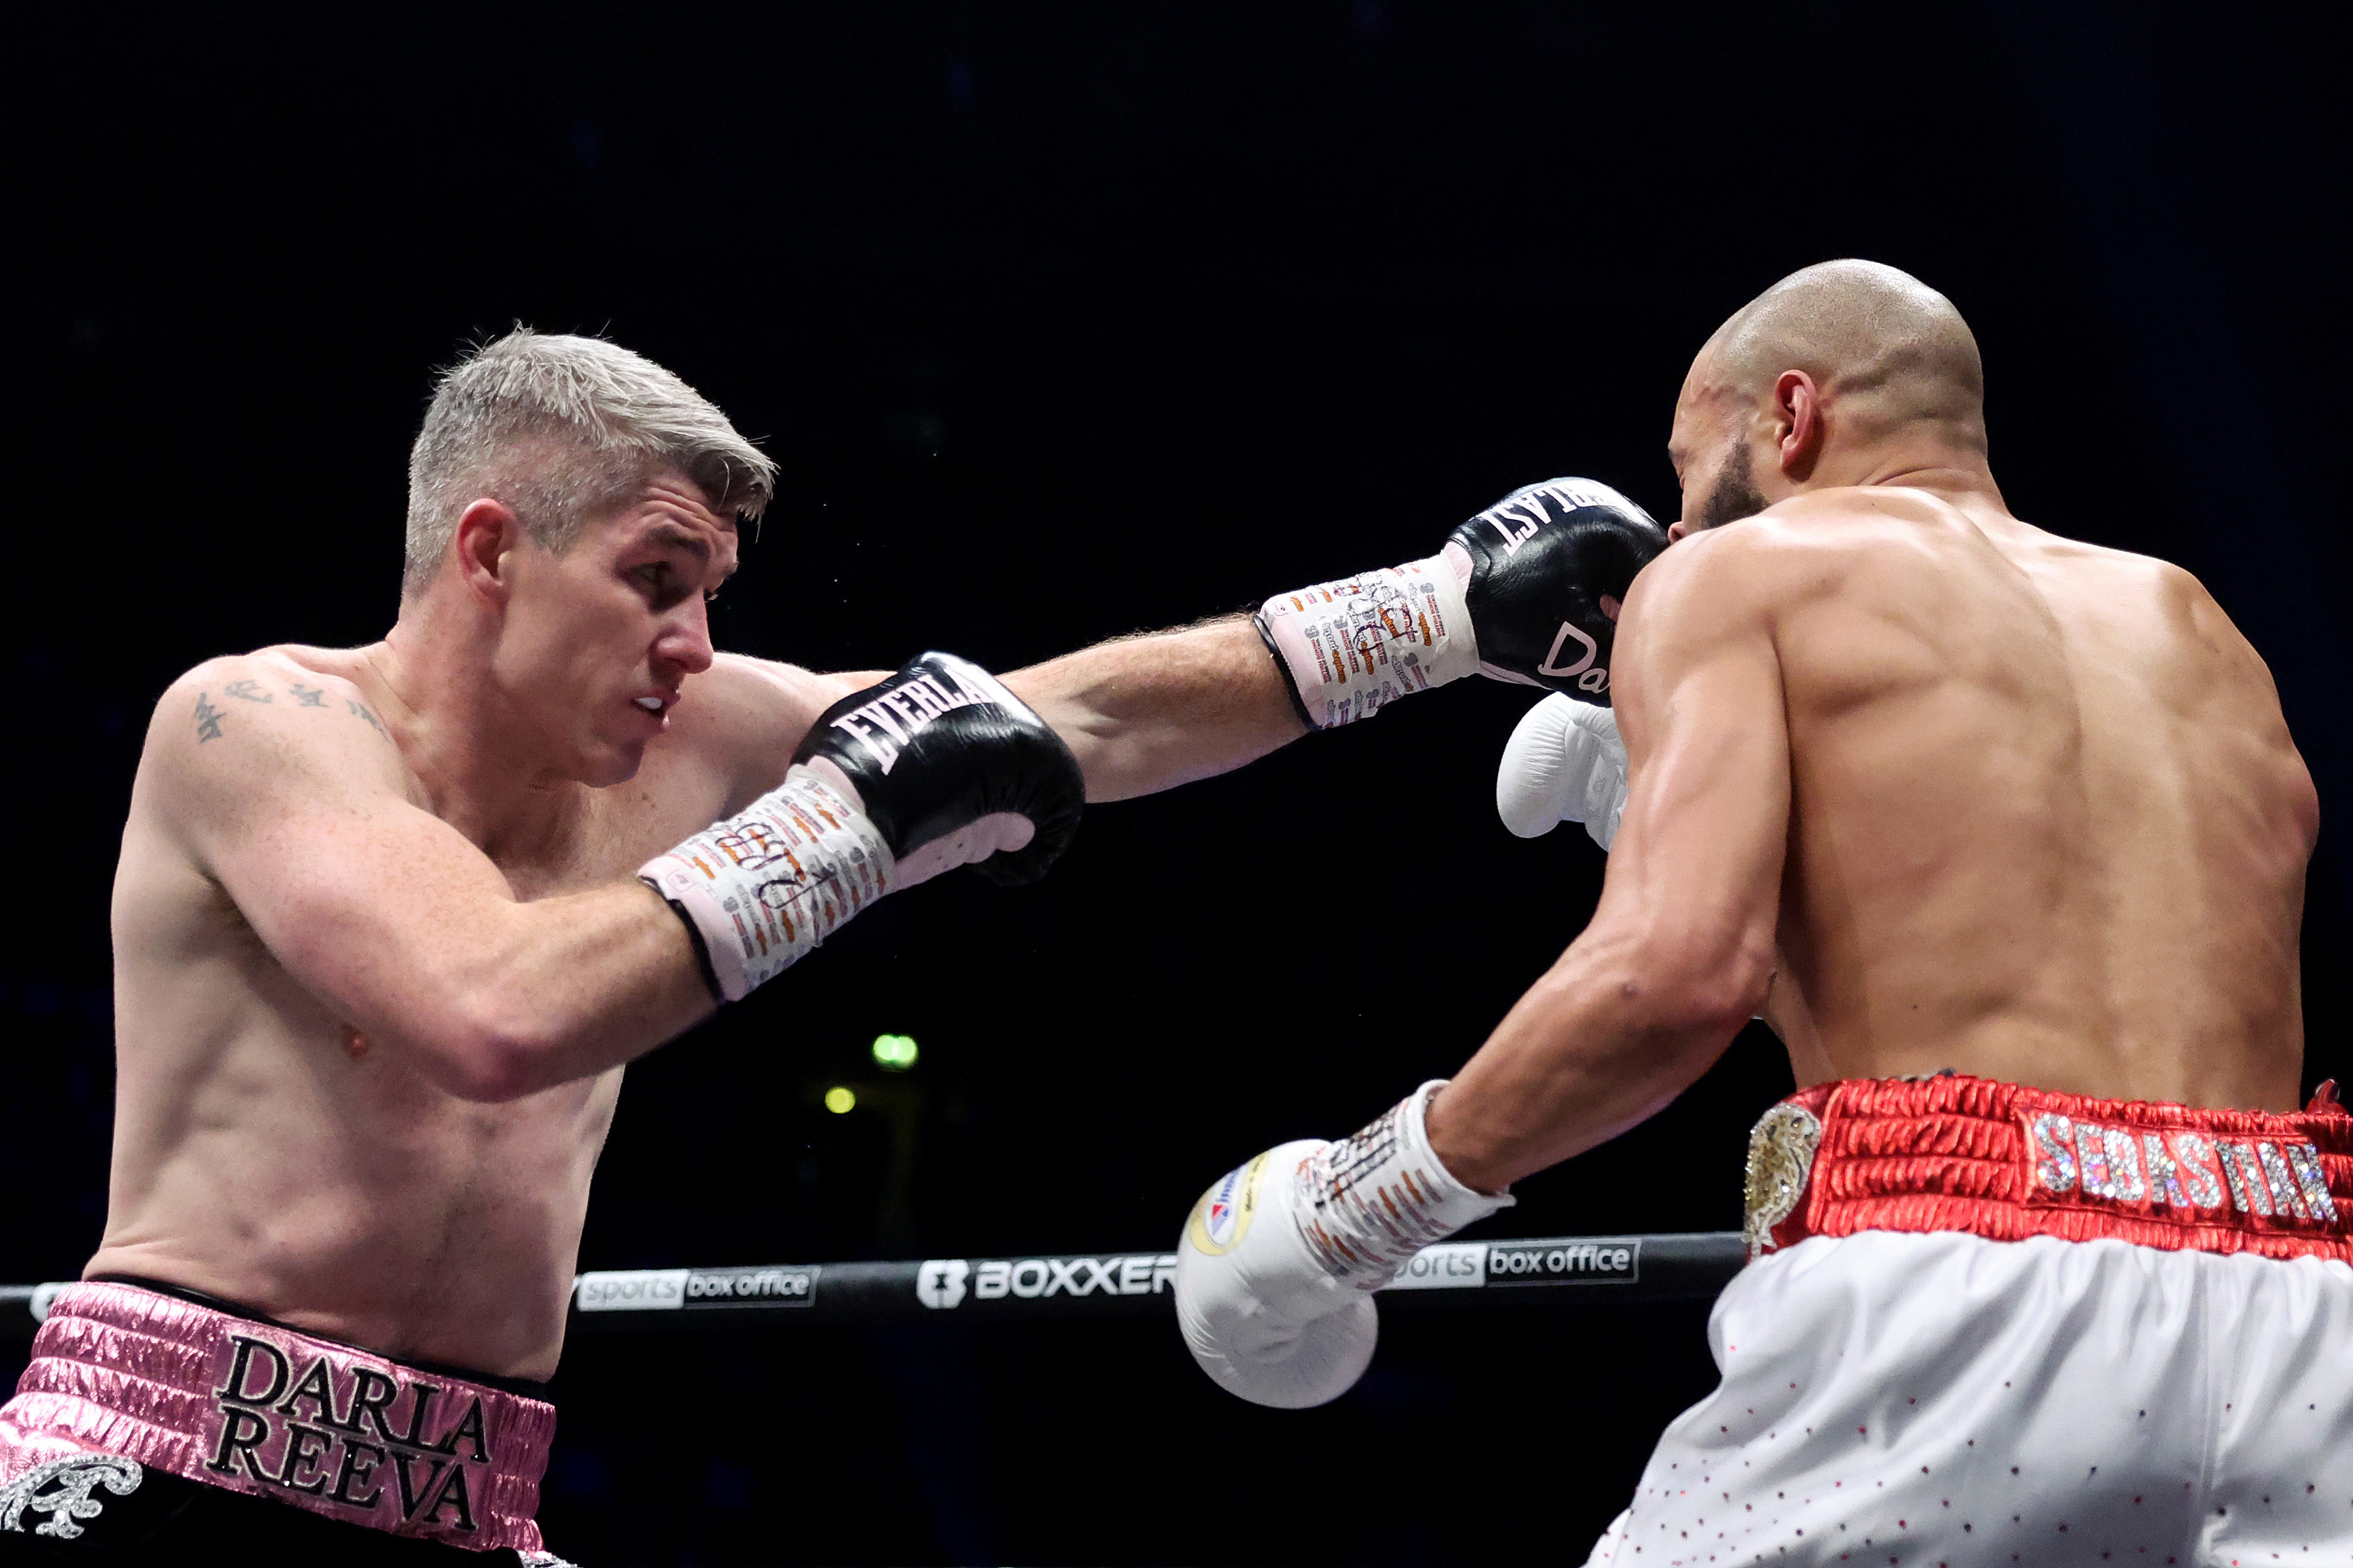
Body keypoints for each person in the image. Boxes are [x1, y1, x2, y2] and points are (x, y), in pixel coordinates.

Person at [0, 328, 1665, 1561]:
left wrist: (1431, 615)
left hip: (472, 1495)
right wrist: (840, 825)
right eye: (655, 578)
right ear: (491, 550)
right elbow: (487, 1007)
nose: (693, 644)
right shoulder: (256, 728)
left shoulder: (686, 736)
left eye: (711, 592)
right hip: (161, 1462)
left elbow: (1062, 723)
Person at [1172, 260, 2350, 1567]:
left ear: (1790, 416)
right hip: (2303, 1313)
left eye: (1687, 472)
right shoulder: (2195, 625)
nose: (1675, 526)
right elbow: (2026, 1022)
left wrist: (1353, 1208)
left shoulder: (1737, 576)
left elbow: (1673, 978)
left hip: (1961, 1311)